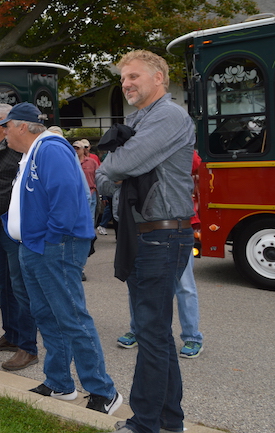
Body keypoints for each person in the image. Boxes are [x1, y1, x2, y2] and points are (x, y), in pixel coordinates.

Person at [0, 102, 122, 415]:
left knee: (70, 316)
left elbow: (67, 198)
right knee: (46, 315)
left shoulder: (50, 149)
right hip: (37, 245)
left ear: (23, 126)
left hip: (54, 245)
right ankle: (59, 382)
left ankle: (103, 391)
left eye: (6, 125)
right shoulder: (33, 152)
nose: (3, 131)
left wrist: (50, 239)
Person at [96, 50, 195, 433]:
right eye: (123, 79)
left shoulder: (168, 116)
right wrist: (117, 167)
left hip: (162, 236)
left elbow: (117, 166)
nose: (127, 84)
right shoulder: (140, 119)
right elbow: (107, 178)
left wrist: (117, 166)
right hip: (145, 236)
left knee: (150, 332)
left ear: (159, 78)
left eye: (134, 76)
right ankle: (171, 421)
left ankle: (145, 423)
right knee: (155, 333)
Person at [117, 152, 204, 359]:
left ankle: (192, 336)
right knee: (137, 282)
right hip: (144, 225)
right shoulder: (143, 146)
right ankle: (138, 329)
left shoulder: (177, 146)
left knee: (184, 285)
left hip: (178, 225)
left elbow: (194, 163)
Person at [0, 103, 39, 372]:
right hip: (2, 225)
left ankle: (27, 346)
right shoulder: (2, 150)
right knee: (4, 284)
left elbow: (0, 191)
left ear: (6, 123)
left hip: (10, 227)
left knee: (19, 287)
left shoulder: (13, 150)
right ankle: (12, 335)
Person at [74, 140, 99, 225]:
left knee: (91, 215)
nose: (76, 150)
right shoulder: (71, 162)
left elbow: (99, 175)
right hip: (77, 193)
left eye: (78, 148)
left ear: (82, 149)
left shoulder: (92, 162)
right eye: (74, 148)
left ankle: (90, 235)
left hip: (91, 191)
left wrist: (96, 188)